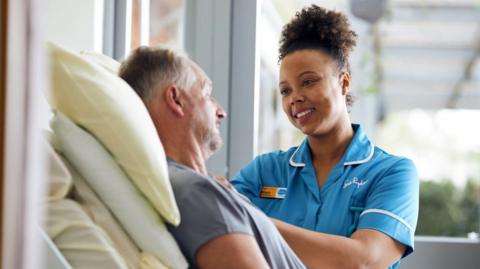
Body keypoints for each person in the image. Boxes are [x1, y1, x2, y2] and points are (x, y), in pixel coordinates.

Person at [230, 5, 419, 269]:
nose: (295, 97)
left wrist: (251, 219)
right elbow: (218, 224)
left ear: (343, 83)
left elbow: (364, 260)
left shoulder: (392, 172)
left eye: (308, 82)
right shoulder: (263, 171)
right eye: (285, 90)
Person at [118, 46, 306, 269]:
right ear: (175, 100)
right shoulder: (196, 193)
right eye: (207, 94)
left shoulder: (195, 187)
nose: (221, 111)